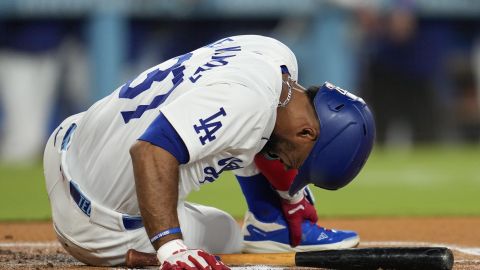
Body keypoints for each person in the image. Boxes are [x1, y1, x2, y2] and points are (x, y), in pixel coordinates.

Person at [43, 35, 375, 269]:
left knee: (253, 132)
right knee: (226, 232)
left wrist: (288, 198)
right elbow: (150, 151)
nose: (289, 167)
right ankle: (266, 228)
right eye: (301, 163)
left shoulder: (274, 55)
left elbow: (254, 124)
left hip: (68, 142)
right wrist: (171, 248)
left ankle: (269, 222)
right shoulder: (248, 104)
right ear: (307, 132)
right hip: (96, 230)